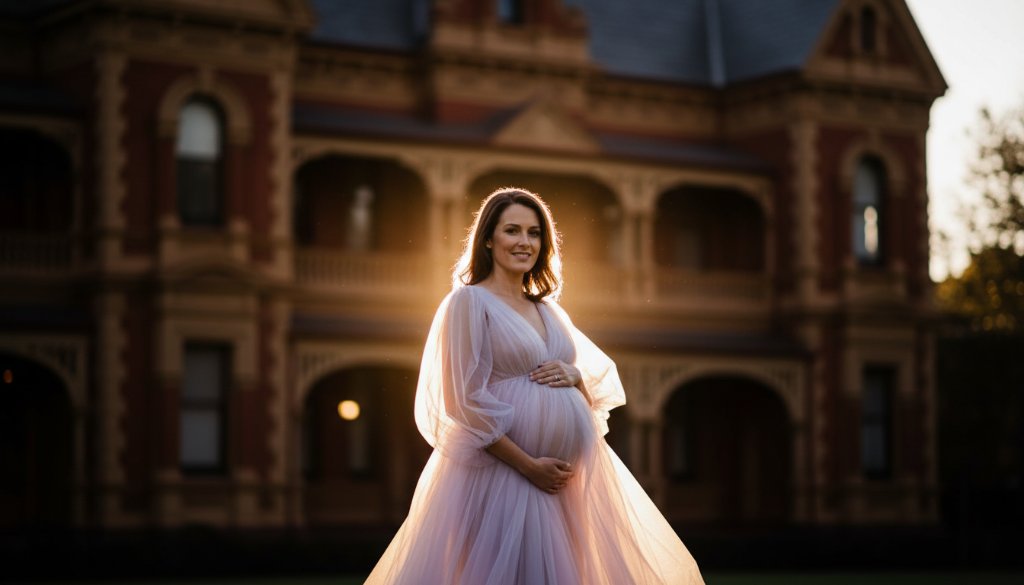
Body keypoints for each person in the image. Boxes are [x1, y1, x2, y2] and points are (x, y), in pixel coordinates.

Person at [365, 188, 705, 585]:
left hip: (565, 483)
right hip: (504, 475)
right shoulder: (469, 303)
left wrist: (575, 377)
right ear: (489, 239)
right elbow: (463, 402)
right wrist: (529, 466)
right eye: (512, 230)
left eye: (534, 233)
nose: (524, 242)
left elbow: (589, 385)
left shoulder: (548, 309)